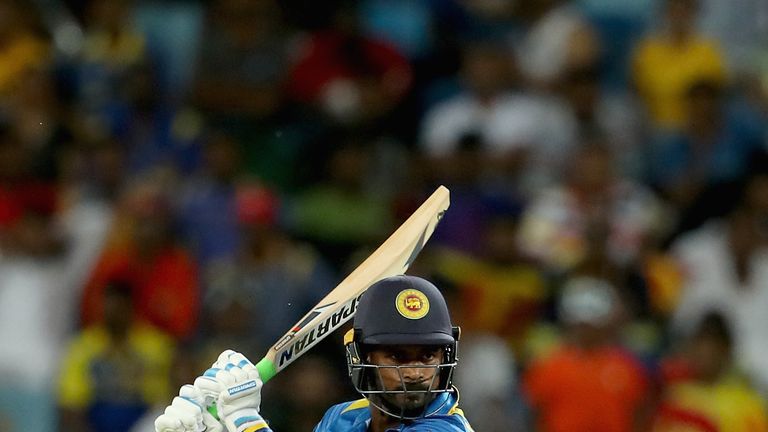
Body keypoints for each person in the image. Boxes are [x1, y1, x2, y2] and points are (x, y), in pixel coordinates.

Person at [154, 275, 474, 431]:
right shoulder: (343, 418)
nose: (416, 373)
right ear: (363, 357)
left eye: (428, 356)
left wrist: (245, 421)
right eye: (397, 357)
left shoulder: (446, 429)